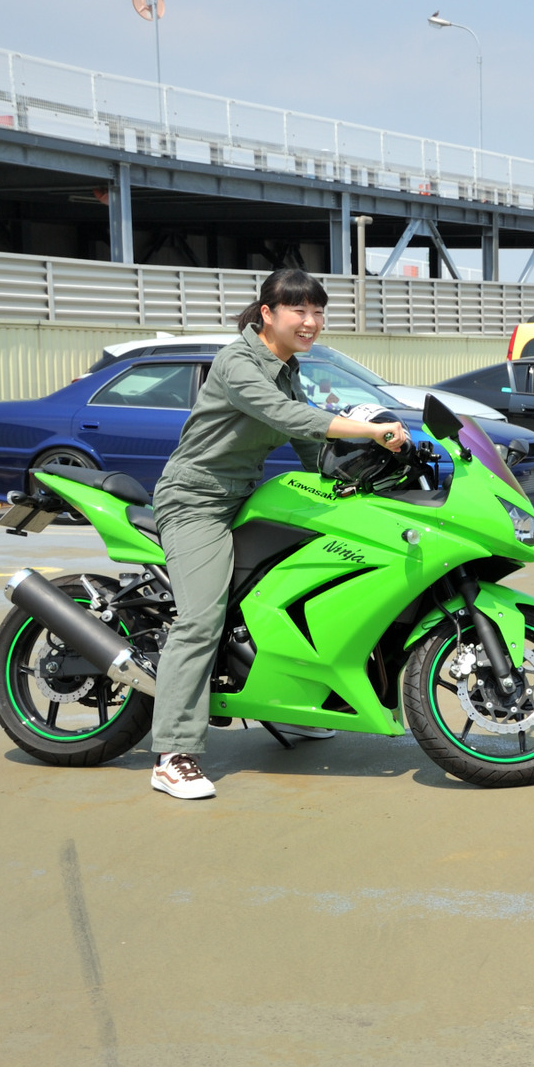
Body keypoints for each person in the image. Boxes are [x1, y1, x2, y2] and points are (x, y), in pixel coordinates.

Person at [148, 269, 409, 800]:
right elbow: (287, 415)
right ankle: (174, 753)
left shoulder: (289, 367)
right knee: (201, 619)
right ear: (268, 313)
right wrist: (369, 429)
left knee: (295, 592)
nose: (311, 322)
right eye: (299, 311)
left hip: (245, 496)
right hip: (196, 501)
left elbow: (307, 445)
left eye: (318, 311)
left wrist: (358, 483)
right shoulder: (237, 362)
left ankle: (291, 704)